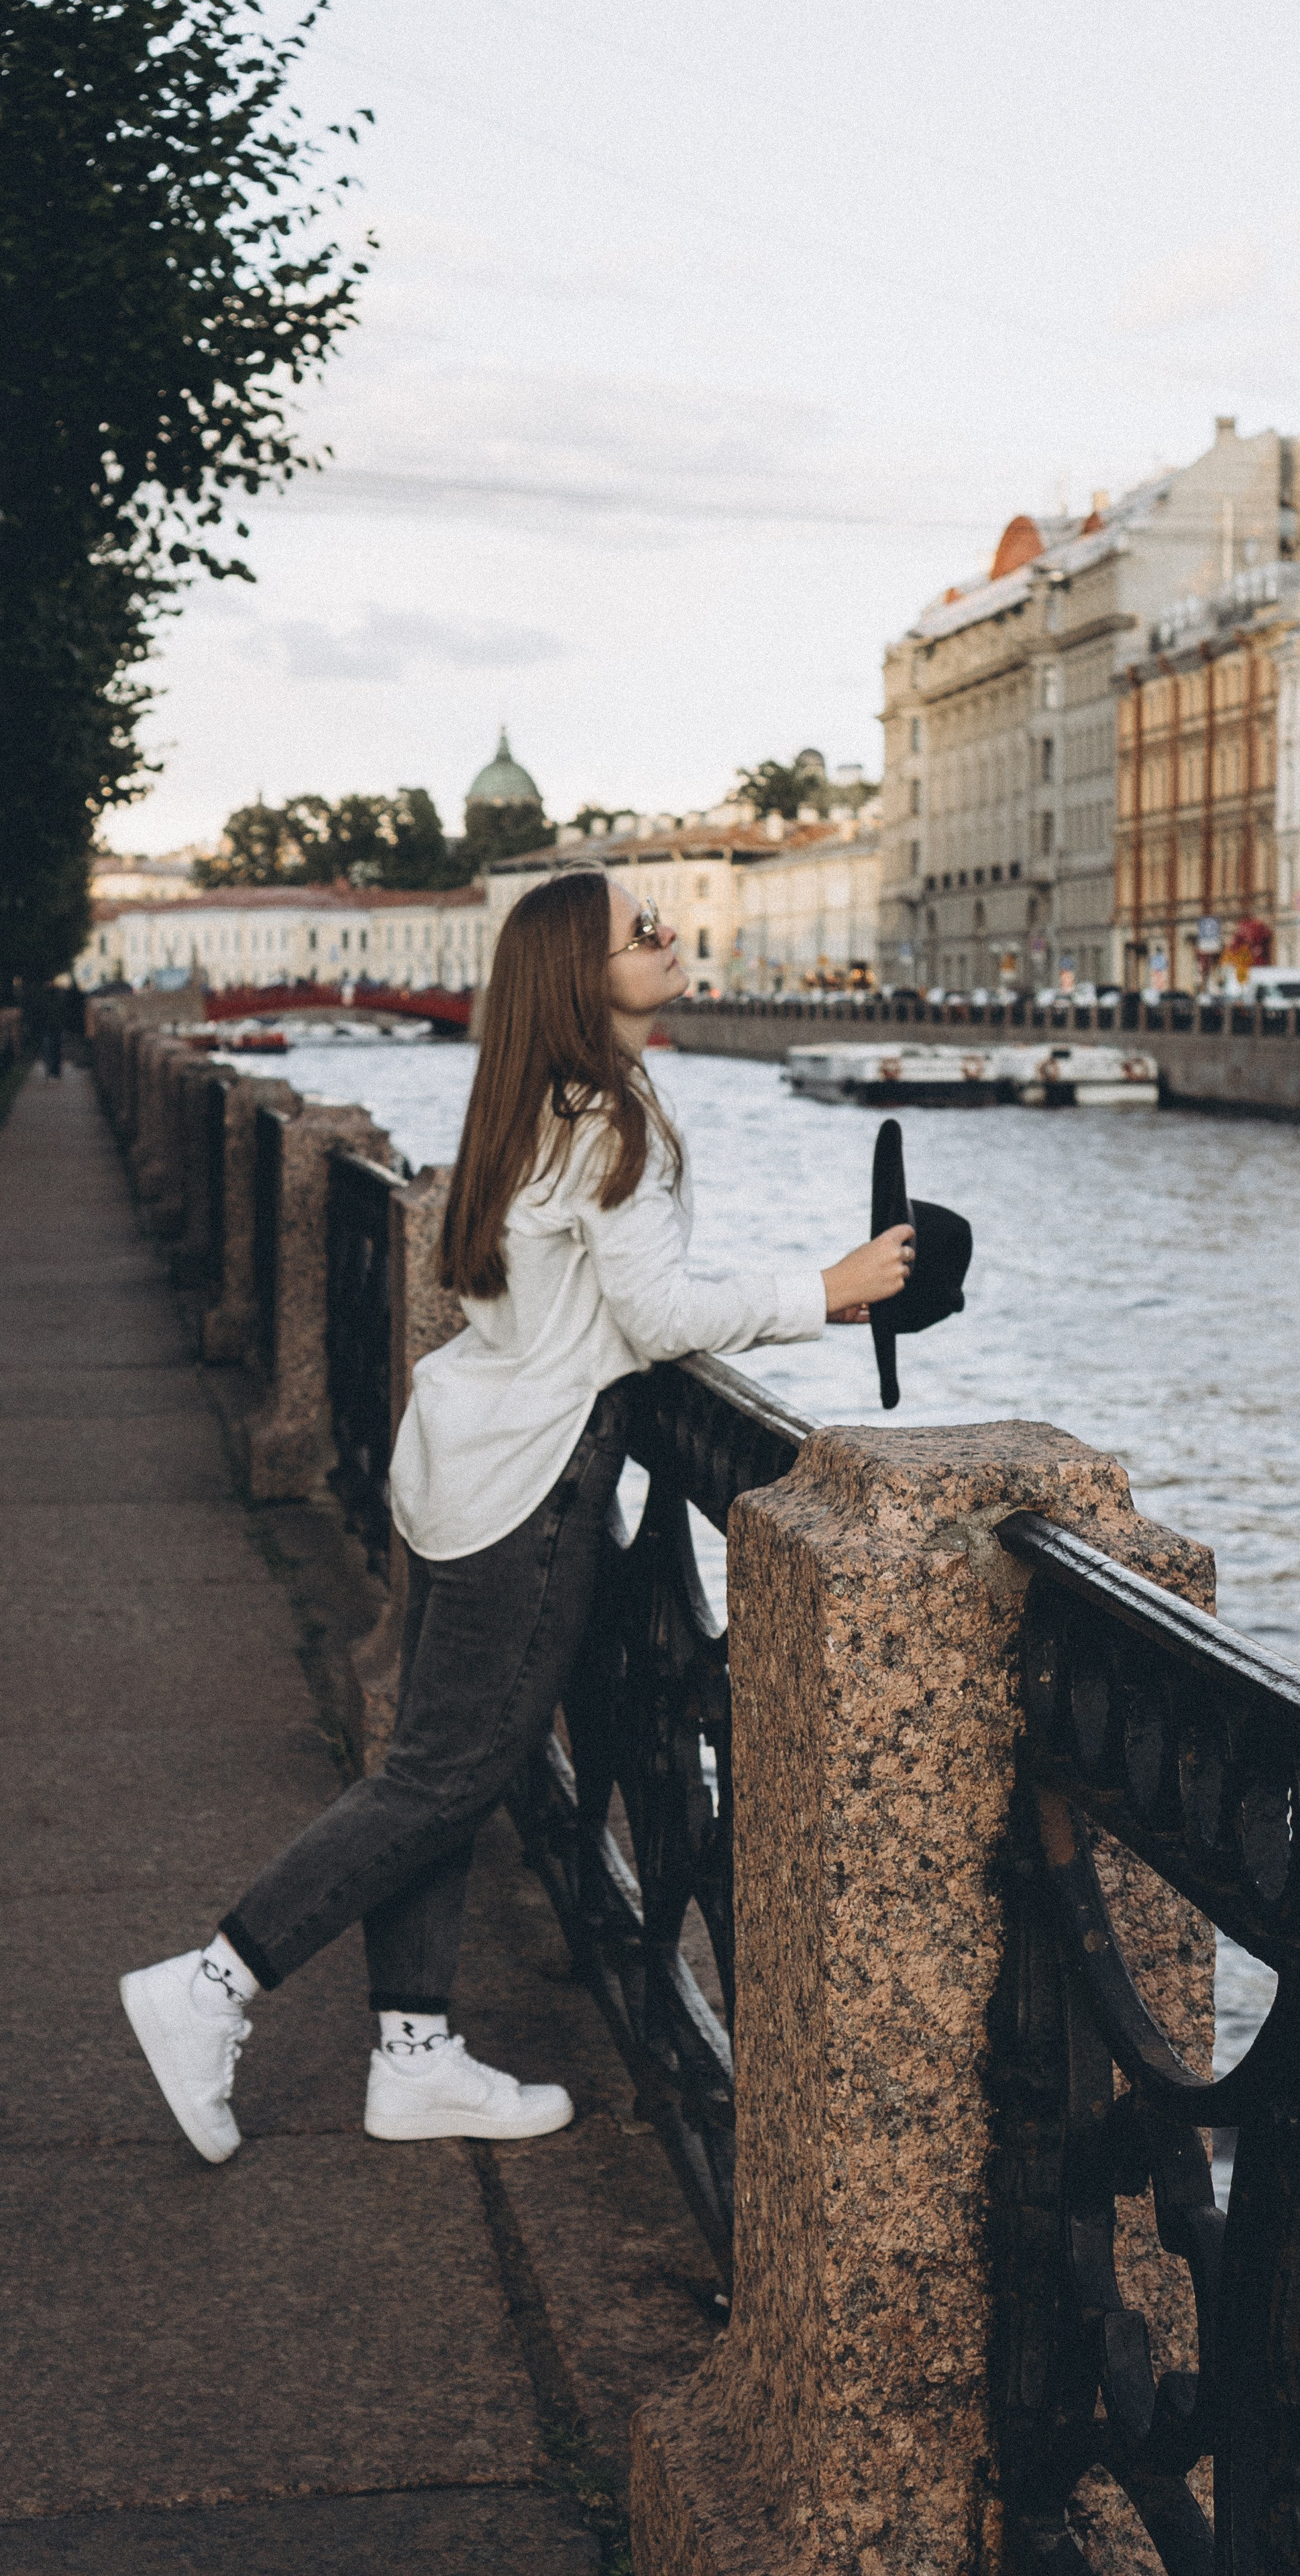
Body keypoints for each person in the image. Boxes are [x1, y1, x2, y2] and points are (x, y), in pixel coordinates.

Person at [121, 869, 914, 2163]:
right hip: (531, 1481)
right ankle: (211, 1985)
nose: (667, 939)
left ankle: (416, 2053)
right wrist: (825, 1288)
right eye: (639, 931)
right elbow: (655, 1320)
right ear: (579, 973)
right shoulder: (610, 1121)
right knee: (445, 1779)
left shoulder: (531, 1102)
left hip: (460, 1455)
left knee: (435, 1773)